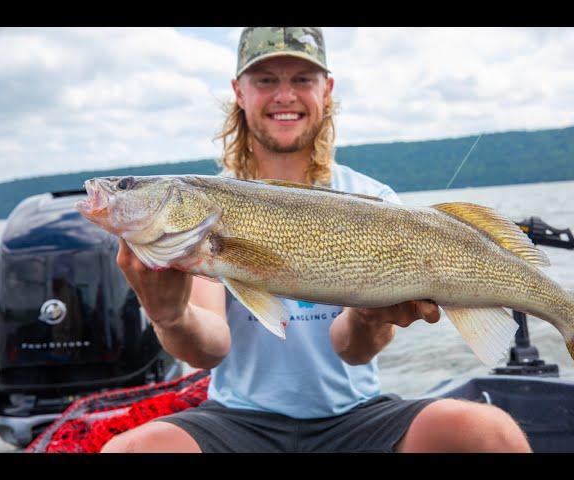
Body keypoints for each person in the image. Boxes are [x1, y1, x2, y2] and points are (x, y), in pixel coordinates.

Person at [101, 27, 532, 453]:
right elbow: (211, 348)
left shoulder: (376, 201)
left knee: (492, 434)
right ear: (239, 90)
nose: (284, 95)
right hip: (238, 419)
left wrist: (368, 317)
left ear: (327, 89)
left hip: (355, 415)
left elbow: (352, 350)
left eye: (301, 79)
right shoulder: (204, 208)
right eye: (266, 79)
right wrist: (169, 316)